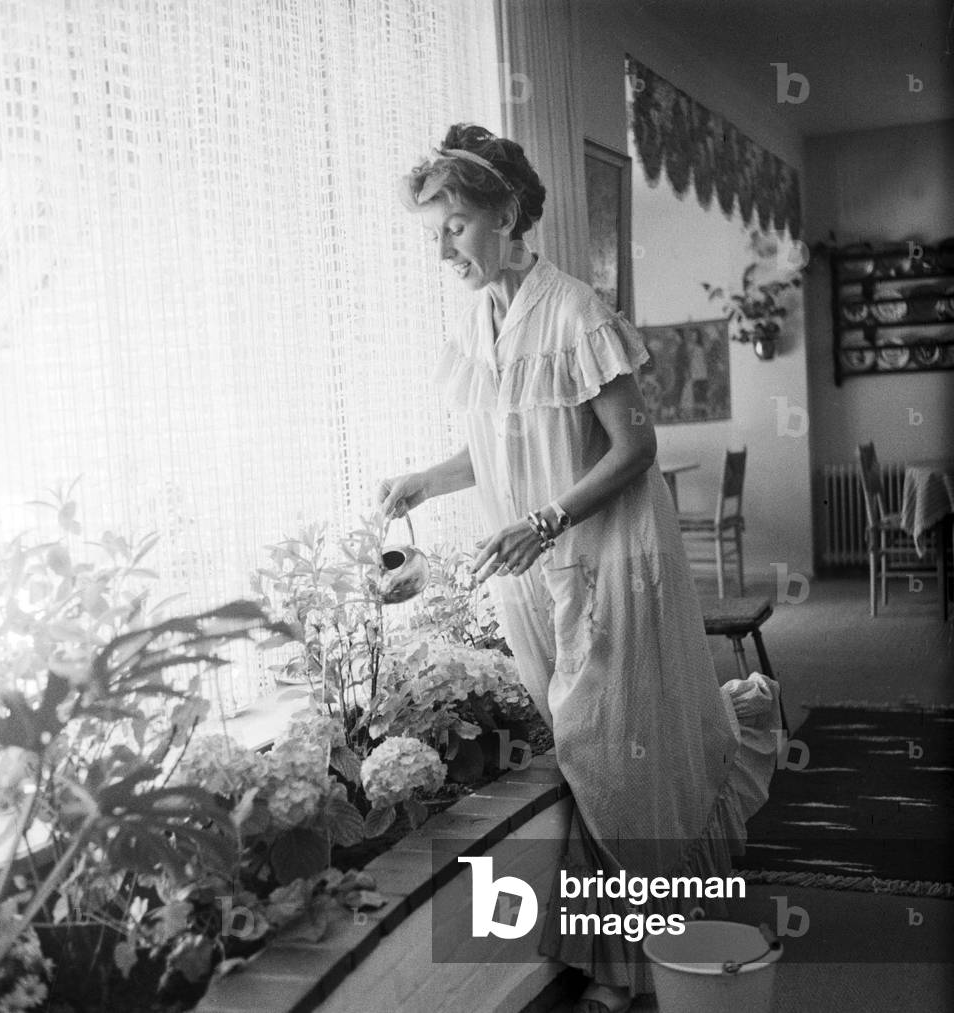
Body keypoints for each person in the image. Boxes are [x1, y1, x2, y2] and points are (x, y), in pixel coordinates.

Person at [378, 124, 779, 1013]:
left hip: (611, 565)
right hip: (534, 575)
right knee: (593, 753)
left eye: (454, 228)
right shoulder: (476, 321)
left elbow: (636, 447)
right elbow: (502, 444)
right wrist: (425, 480)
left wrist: (546, 518)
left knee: (611, 755)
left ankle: (638, 958)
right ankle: (628, 947)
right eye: (434, 233)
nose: (442, 251)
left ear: (505, 214)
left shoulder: (575, 312)